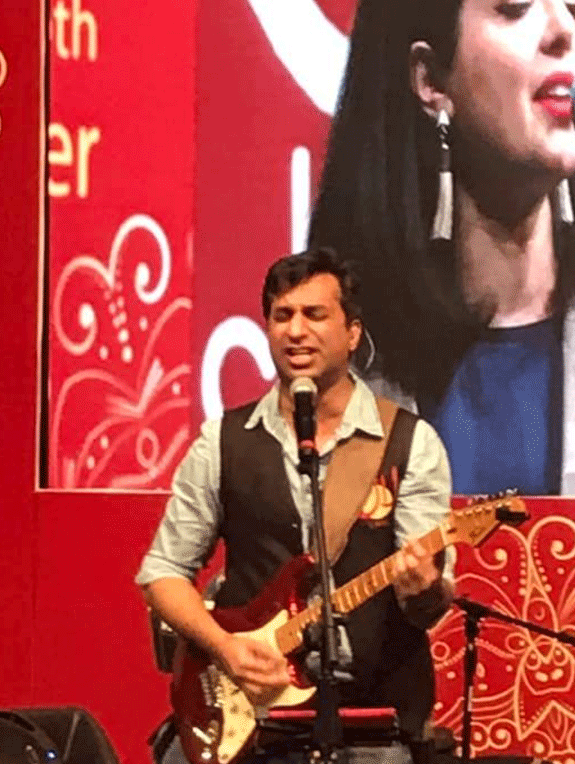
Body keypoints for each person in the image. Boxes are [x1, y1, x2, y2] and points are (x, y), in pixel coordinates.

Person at [308, 0, 575, 498]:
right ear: (430, 78)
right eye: (516, 4)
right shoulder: (347, 349)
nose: (563, 33)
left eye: (571, 4)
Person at [137, 248, 456, 764]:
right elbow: (163, 574)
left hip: (373, 723)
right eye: (282, 316)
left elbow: (427, 607)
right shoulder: (222, 440)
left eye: (315, 314)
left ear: (352, 333)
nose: (296, 331)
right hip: (250, 714)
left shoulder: (408, 443)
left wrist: (423, 588)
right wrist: (225, 649)